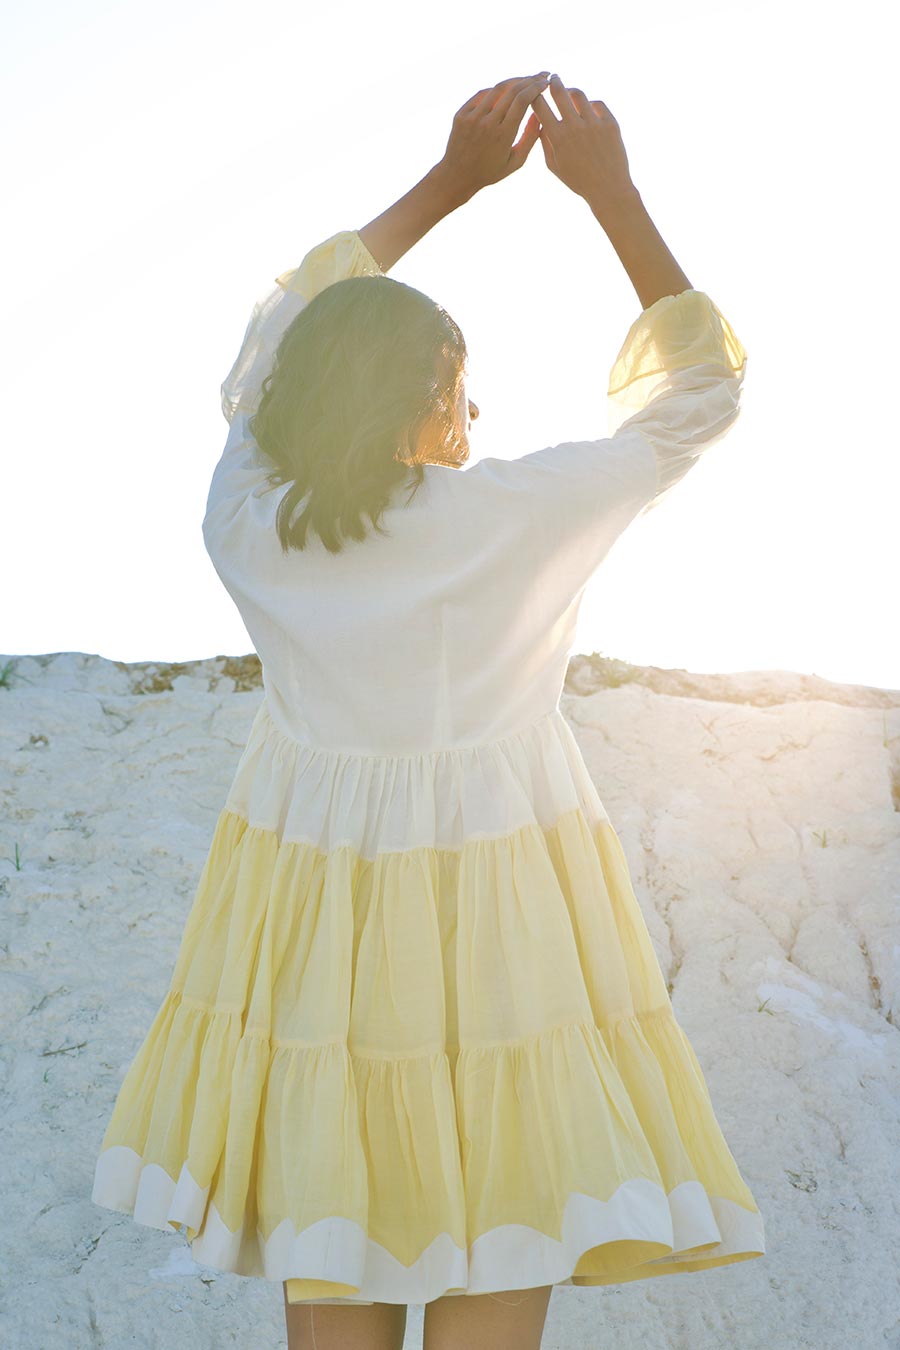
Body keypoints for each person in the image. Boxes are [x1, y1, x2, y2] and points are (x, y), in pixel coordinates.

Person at [90, 72, 765, 1350]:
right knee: (507, 1196)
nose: (476, 417)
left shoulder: (247, 519)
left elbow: (275, 343)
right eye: (461, 390)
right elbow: (699, 399)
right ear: (420, 406)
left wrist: (449, 183)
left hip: (318, 928)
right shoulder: (506, 515)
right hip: (509, 915)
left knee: (334, 1212)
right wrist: (610, 194)